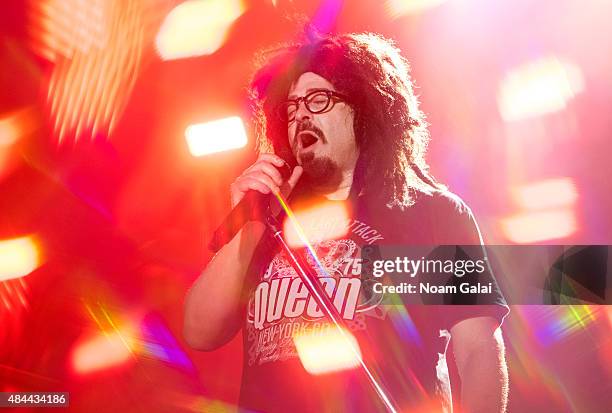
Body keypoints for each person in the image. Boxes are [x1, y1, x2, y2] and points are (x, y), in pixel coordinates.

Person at [184, 32, 509, 412]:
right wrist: (251, 225)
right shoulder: (268, 216)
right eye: (291, 108)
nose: (301, 115)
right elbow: (199, 331)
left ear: (365, 108)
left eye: (318, 100)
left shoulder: (432, 212)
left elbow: (478, 348)